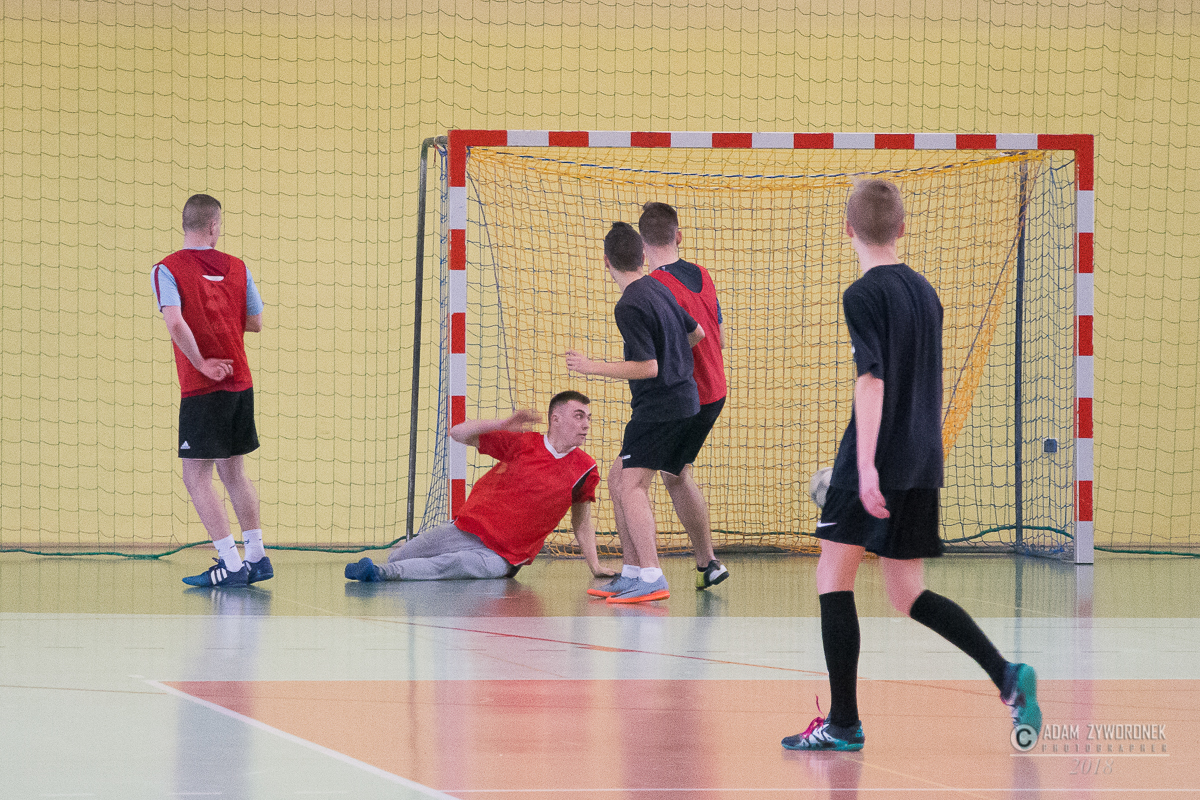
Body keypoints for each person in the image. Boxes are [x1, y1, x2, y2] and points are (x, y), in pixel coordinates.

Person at [782, 179, 1041, 752]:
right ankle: (1006, 676)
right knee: (906, 593)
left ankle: (843, 724)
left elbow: (872, 380)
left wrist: (865, 468)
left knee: (832, 578)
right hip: (923, 459)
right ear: (902, 228)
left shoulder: (861, 294)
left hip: (876, 457)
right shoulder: (926, 292)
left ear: (847, 229)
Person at [565, 222, 704, 604]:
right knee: (618, 479)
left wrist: (591, 366)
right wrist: (674, 357)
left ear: (605, 261)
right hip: (685, 402)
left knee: (632, 487)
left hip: (660, 408)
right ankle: (631, 572)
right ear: (643, 256)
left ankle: (652, 576)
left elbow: (647, 367)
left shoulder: (628, 304)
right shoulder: (659, 287)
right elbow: (697, 334)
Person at [344, 391, 613, 581]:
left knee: (452, 564)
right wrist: (503, 424)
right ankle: (385, 568)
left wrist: (595, 565)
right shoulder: (524, 443)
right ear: (556, 418)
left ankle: (380, 574)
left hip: (503, 557)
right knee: (401, 555)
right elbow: (458, 433)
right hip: (466, 530)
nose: (586, 424)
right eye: (579, 416)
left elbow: (582, 522)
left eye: (588, 418)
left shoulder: (585, 468)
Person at [152, 194, 272, 588]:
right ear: (214, 226)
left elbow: (175, 322)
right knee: (234, 471)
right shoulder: (239, 267)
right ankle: (257, 556)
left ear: (185, 224)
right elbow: (255, 322)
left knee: (195, 477)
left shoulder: (166, 269)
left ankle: (232, 564)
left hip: (203, 388)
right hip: (240, 382)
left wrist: (202, 361)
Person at [640, 201, 729, 590]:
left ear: (642, 245)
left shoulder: (653, 289)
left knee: (629, 478)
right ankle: (707, 562)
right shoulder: (703, 274)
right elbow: (719, 340)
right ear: (678, 236)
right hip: (716, 391)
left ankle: (642, 573)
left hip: (686, 398)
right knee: (675, 473)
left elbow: (660, 357)